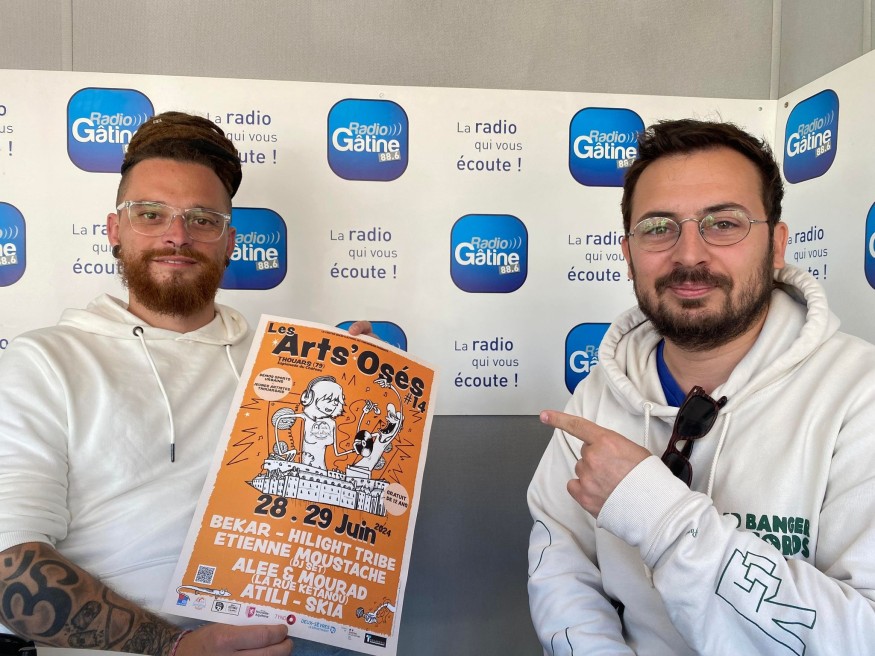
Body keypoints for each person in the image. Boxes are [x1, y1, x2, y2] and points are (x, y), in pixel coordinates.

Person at [0, 112, 370, 655]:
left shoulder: (286, 368)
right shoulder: (46, 362)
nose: (177, 235)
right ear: (115, 230)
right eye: (151, 214)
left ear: (229, 241)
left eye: (202, 219)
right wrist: (175, 647)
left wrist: (361, 391)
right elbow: (9, 565)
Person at [527, 118, 875, 654]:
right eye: (658, 228)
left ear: (776, 245)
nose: (689, 255)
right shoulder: (598, 396)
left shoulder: (859, 395)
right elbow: (563, 567)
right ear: (628, 253)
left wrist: (658, 514)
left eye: (724, 223)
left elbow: (861, 635)